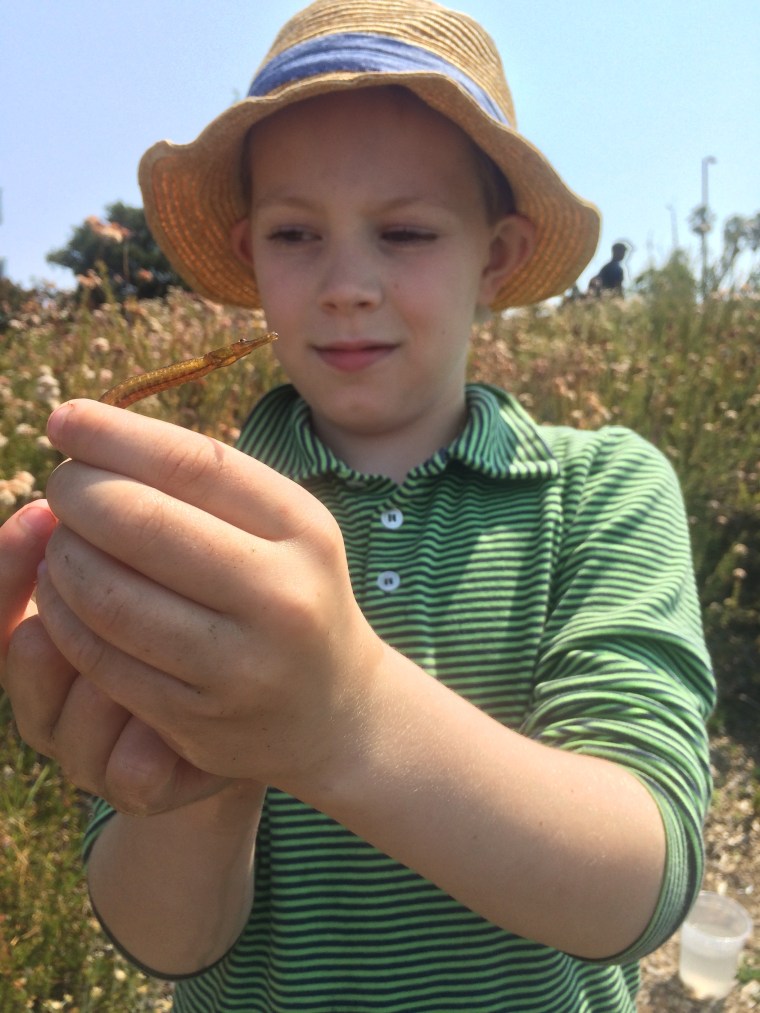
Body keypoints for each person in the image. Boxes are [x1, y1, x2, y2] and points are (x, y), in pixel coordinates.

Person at [0, 2, 714, 1010]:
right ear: (250, 256)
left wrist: (336, 717)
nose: (345, 284)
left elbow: (643, 882)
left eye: (405, 230)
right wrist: (197, 763)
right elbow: (164, 940)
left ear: (498, 254)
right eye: (296, 233)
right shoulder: (184, 529)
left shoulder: (602, 490)